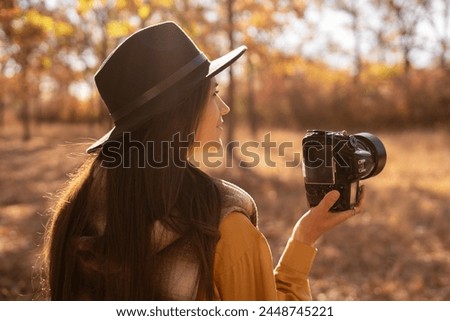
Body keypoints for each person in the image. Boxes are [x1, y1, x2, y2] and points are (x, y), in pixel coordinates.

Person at [40, 21, 365, 300]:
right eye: (213, 94)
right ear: (179, 112)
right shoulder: (220, 226)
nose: (223, 108)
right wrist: (304, 240)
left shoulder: (75, 211)